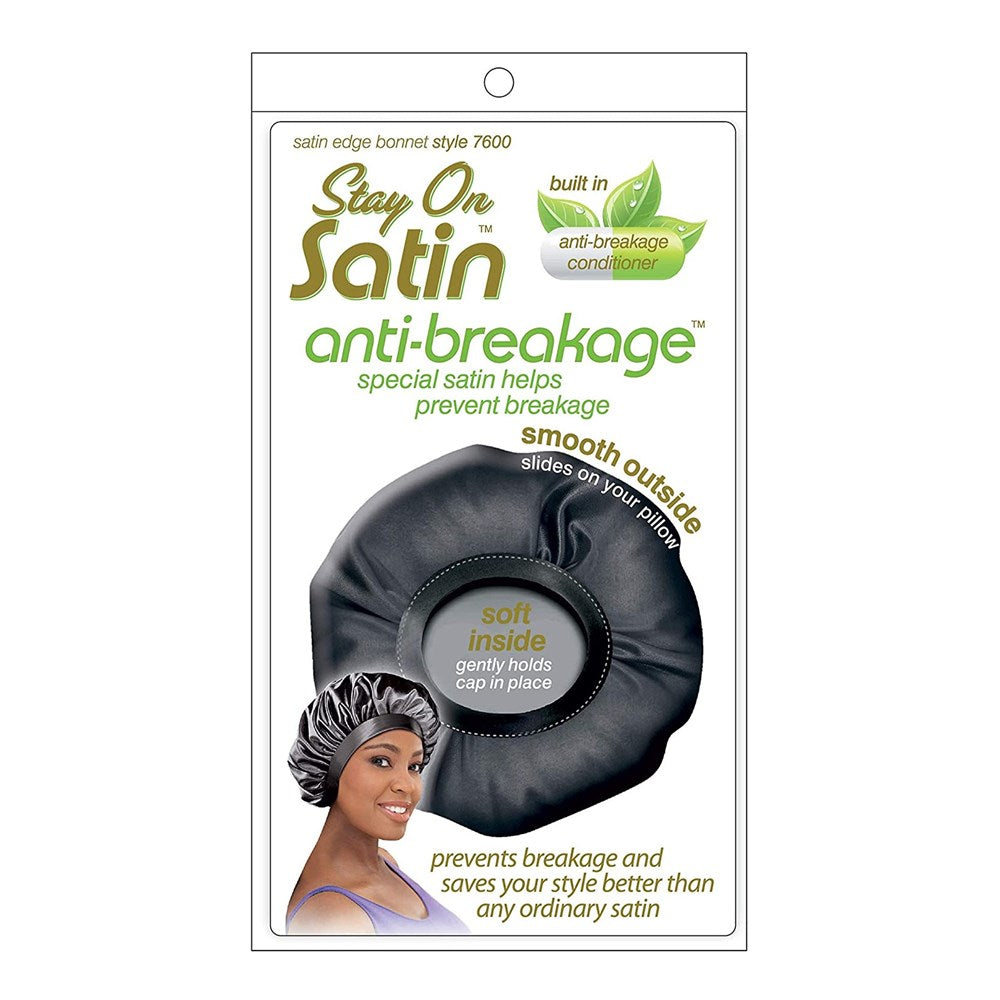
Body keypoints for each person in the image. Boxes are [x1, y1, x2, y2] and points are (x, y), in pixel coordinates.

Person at [286, 672, 469, 934]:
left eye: (414, 766)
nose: (407, 785)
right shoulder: (331, 918)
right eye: (381, 761)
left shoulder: (385, 862)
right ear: (329, 766)